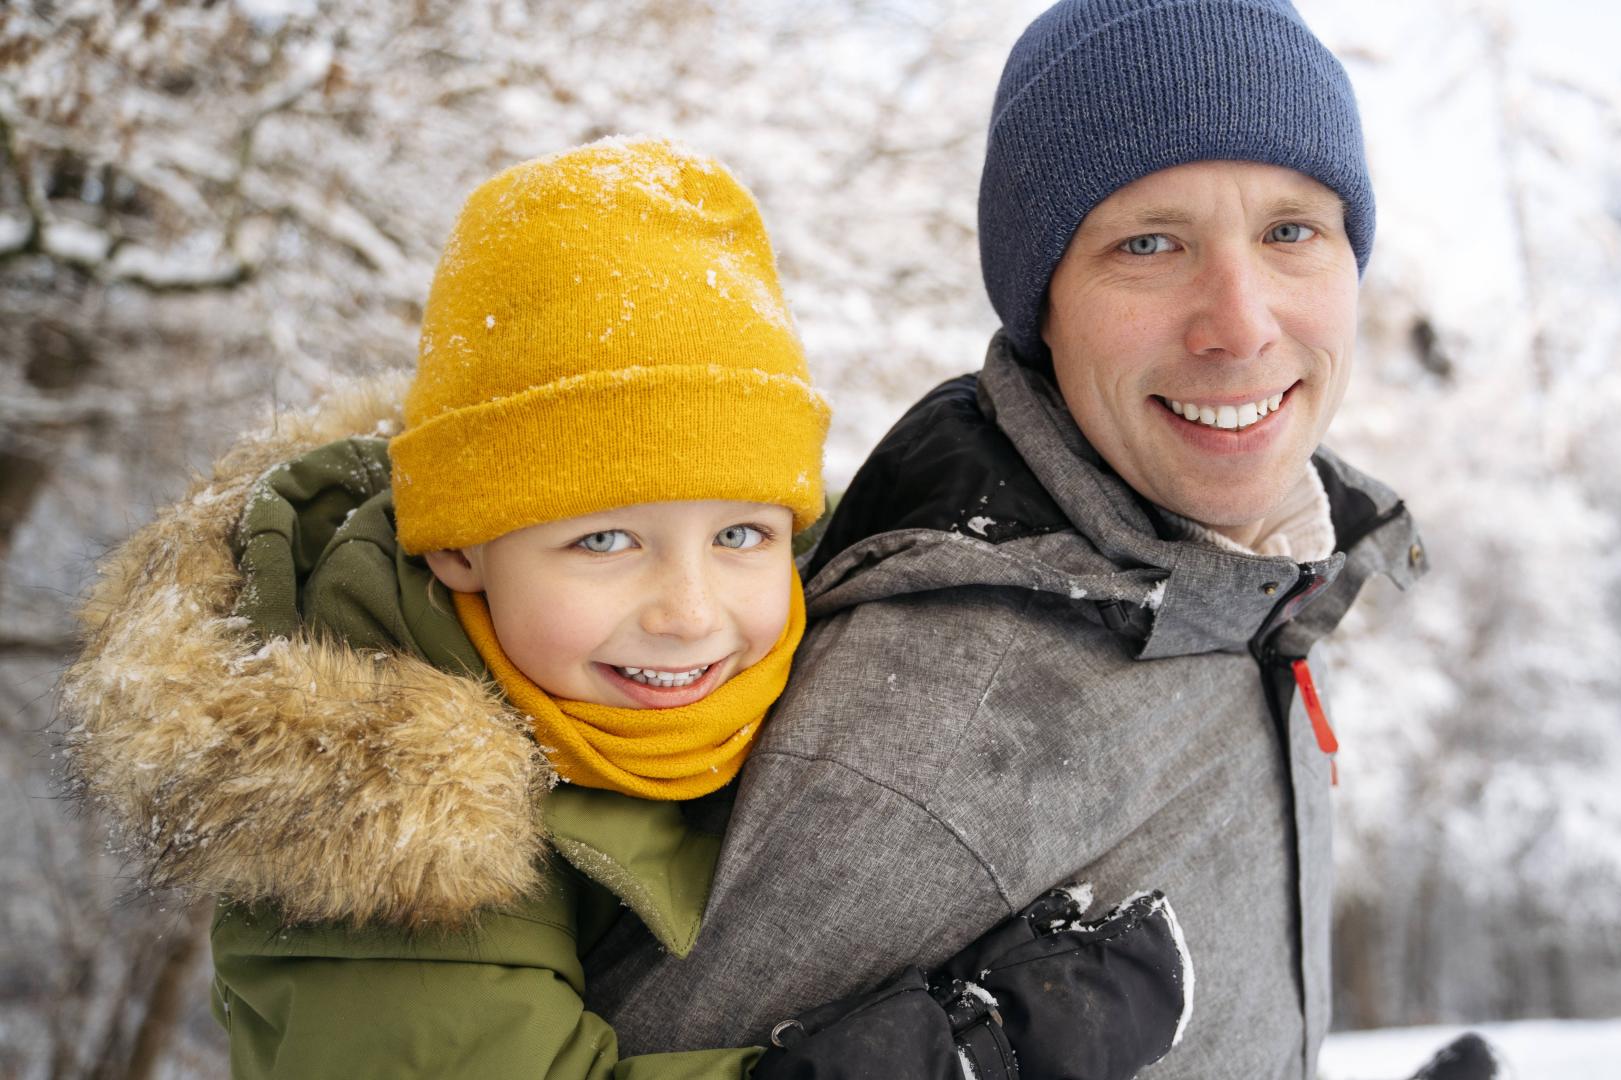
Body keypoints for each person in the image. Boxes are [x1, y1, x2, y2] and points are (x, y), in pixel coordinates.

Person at [58, 138, 1189, 1078]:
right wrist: (971, 1057)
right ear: (459, 545)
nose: (691, 612)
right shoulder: (378, 831)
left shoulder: (687, 655)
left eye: (741, 533)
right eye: (605, 540)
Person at [580, 2, 1432, 1078]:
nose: (1243, 323)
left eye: (1290, 231)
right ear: (1044, 305)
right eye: (1150, 244)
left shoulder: (1252, 583)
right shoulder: (947, 713)